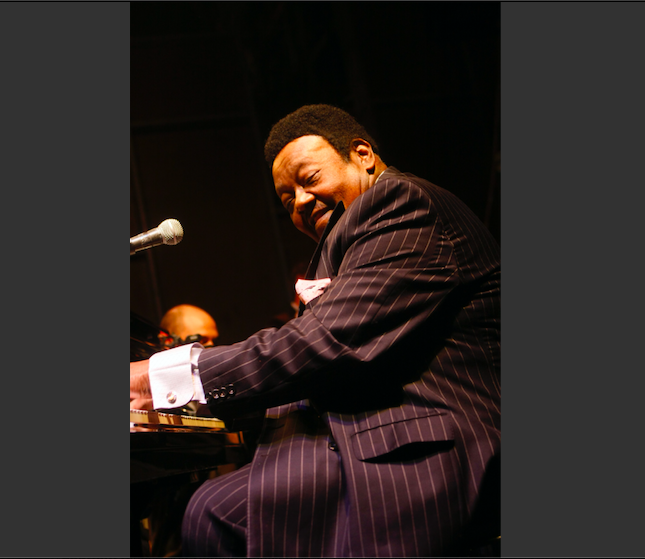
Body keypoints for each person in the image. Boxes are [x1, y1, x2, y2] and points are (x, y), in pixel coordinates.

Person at [130, 104, 501, 557]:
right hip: (369, 432)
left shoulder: (401, 203)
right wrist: (188, 412)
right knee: (212, 508)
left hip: (428, 447)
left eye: (309, 180)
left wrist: (158, 378)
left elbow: (328, 342)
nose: (301, 201)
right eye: (287, 200)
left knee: (213, 511)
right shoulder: (358, 230)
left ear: (362, 154)